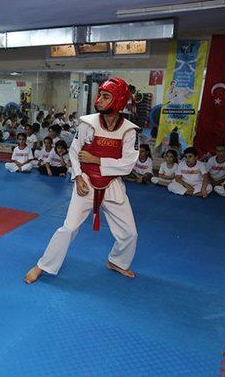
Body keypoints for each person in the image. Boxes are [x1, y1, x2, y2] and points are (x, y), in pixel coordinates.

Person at [25, 77, 140, 284]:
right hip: (86, 182)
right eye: (100, 95)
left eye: (106, 97)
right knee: (68, 228)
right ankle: (43, 265)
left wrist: (96, 159)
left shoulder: (129, 131)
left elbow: (128, 164)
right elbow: (75, 150)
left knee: (130, 233)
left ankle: (117, 261)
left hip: (112, 185)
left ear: (118, 101)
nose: (99, 100)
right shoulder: (88, 124)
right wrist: (77, 177)